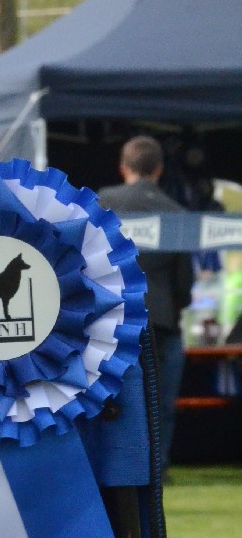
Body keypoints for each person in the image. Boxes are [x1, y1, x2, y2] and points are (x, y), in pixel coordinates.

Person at [100, 135, 194, 474]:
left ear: (123, 167)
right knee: (159, 403)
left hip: (111, 320)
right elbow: (184, 284)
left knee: (111, 400)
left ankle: (115, 468)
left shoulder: (102, 202)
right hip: (162, 322)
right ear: (159, 170)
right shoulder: (177, 213)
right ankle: (157, 469)